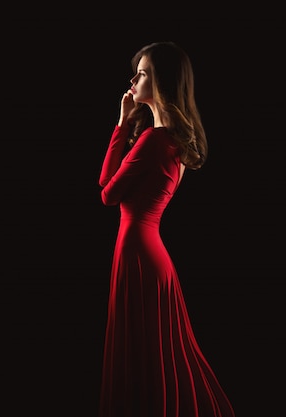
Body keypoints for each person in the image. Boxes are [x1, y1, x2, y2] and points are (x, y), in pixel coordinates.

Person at [97, 42, 235, 417]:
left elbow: (107, 193)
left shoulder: (154, 139)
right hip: (153, 253)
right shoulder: (173, 139)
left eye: (142, 73)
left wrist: (122, 123)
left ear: (161, 82)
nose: (133, 78)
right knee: (155, 351)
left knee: (140, 352)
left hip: (137, 251)